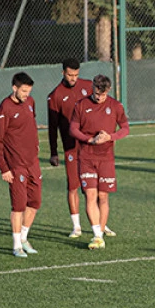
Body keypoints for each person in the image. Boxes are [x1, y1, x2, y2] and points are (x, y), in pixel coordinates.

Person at [69, 74, 129, 250]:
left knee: (103, 196)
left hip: (106, 158)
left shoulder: (116, 106)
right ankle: (96, 235)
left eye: (102, 95)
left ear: (108, 91)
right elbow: (73, 128)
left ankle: (100, 234)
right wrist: (89, 140)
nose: (98, 97)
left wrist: (111, 136)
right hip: (87, 157)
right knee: (90, 195)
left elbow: (125, 128)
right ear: (93, 88)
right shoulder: (81, 105)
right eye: (96, 93)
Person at [0, 72, 42, 257]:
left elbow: (31, 125)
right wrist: (4, 168)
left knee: (35, 202)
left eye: (28, 91)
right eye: (23, 91)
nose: (26, 94)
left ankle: (24, 237)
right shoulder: (4, 108)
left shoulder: (30, 103)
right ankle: (16, 246)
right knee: (18, 206)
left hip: (33, 162)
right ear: (14, 88)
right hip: (16, 165)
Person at [47, 59, 97, 238]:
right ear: (63, 73)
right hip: (70, 148)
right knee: (73, 186)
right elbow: (53, 128)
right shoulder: (55, 96)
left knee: (93, 186)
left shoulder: (88, 86)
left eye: (76, 75)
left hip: (90, 147)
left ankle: (99, 224)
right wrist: (54, 152)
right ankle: (76, 227)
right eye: (69, 75)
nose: (73, 78)